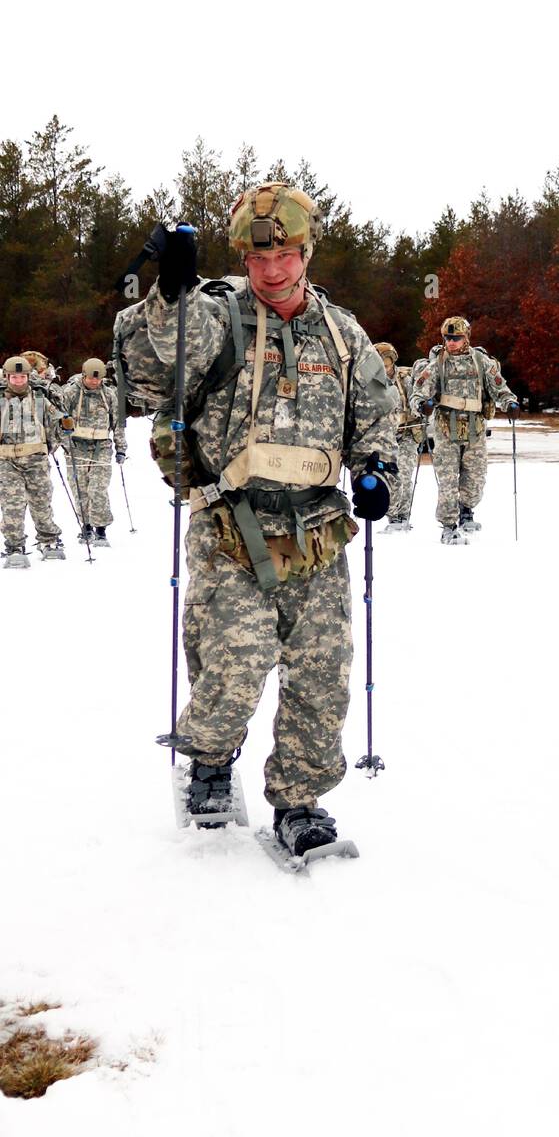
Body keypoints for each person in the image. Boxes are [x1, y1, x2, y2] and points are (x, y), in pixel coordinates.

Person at [116, 184, 397, 857]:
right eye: (258, 256)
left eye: (286, 254)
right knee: (235, 667)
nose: (273, 270)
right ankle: (210, 760)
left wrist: (377, 471)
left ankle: (300, 801)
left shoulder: (341, 331)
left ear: (306, 252)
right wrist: (170, 292)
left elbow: (379, 419)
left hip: (318, 530)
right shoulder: (220, 318)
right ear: (244, 256)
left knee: (323, 674)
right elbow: (151, 371)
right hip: (231, 529)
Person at [411, 316, 518, 544]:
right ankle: (449, 525)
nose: (451, 342)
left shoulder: (481, 362)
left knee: (475, 480)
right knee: (448, 481)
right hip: (446, 430)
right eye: (448, 338)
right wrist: (422, 404)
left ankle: (467, 509)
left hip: (475, 430)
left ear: (466, 338)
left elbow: (500, 387)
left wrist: (510, 403)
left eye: (456, 338)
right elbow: (419, 391)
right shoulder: (437, 364)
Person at [0, 356, 65, 568]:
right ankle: (14, 546)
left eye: (22, 377)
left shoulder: (40, 398)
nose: (18, 381)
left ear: (28, 376)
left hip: (36, 459)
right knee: (13, 504)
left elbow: (57, 421)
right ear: (7, 377)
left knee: (41, 501)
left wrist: (61, 432)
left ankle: (49, 540)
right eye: (14, 377)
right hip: (7, 461)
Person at [58, 359, 127, 547]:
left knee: (98, 488)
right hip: (77, 445)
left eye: (98, 379)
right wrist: (65, 444)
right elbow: (59, 418)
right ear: (83, 375)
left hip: (102, 446)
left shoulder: (109, 395)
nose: (94, 382)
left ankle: (101, 528)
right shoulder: (71, 392)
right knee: (80, 489)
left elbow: (118, 424)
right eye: (91, 379)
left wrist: (121, 448)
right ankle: (86, 526)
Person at [375, 342, 421, 532]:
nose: (384, 369)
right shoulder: (370, 381)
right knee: (387, 476)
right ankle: (392, 513)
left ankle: (401, 516)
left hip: (407, 433)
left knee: (404, 473)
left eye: (386, 365)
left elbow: (417, 397)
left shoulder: (405, 379)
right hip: (384, 437)